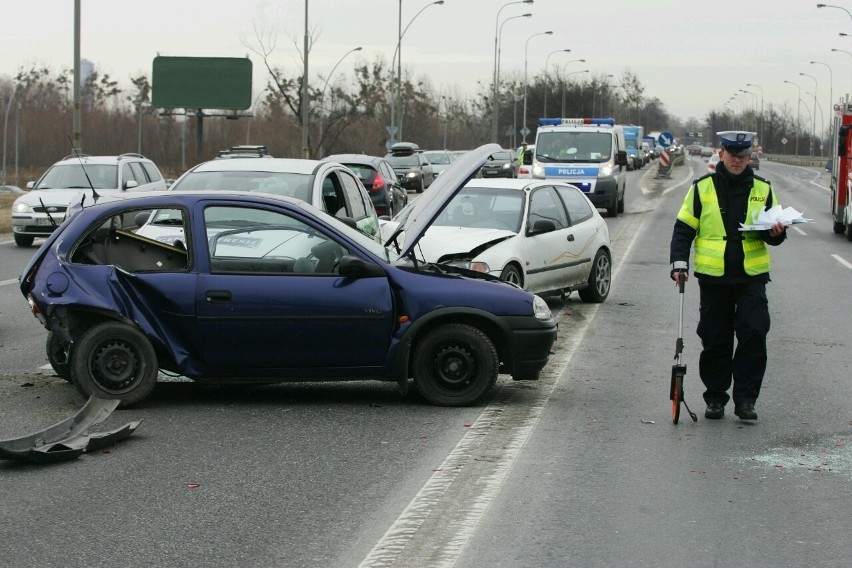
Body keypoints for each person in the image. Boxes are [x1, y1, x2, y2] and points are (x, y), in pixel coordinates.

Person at [669, 131, 787, 421]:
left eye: (743, 156)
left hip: (751, 278)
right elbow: (683, 229)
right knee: (716, 340)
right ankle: (716, 398)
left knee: (754, 334)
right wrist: (678, 263)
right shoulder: (702, 188)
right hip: (714, 278)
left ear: (750, 157)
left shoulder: (764, 189)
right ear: (722, 154)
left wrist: (777, 234)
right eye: (733, 155)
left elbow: (776, 234)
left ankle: (746, 400)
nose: (738, 160)